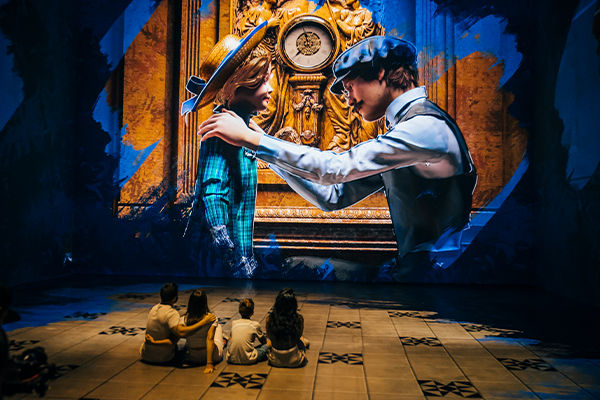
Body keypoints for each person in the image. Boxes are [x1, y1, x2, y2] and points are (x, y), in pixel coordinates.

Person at [198, 35, 478, 281]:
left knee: (296, 271)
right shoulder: (407, 133)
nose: (348, 101)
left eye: (349, 87)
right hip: (414, 272)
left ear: (380, 73)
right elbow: (333, 196)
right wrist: (265, 149)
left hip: (437, 278)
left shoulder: (425, 129)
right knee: (296, 266)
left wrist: (254, 140)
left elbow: (335, 169)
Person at [182, 21, 272, 278]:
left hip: (238, 248)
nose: (270, 89)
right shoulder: (222, 127)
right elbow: (212, 189)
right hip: (219, 259)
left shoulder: (245, 127)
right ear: (237, 86)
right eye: (262, 81)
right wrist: (227, 247)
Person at [140, 283, 216, 364]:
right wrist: (203, 322)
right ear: (175, 298)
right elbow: (180, 334)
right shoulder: (172, 313)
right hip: (163, 358)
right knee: (182, 343)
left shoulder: (153, 309)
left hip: (146, 355)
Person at [265, 288, 309, 368]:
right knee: (301, 340)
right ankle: (304, 341)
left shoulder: (270, 319)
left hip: (274, 360)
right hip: (296, 361)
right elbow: (297, 337)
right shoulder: (298, 319)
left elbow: (270, 336)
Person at [226, 298, 269, 365]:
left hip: (231, 358)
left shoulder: (234, 323)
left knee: (230, 340)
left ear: (239, 311)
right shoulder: (255, 325)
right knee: (268, 344)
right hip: (249, 359)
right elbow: (263, 341)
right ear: (252, 312)